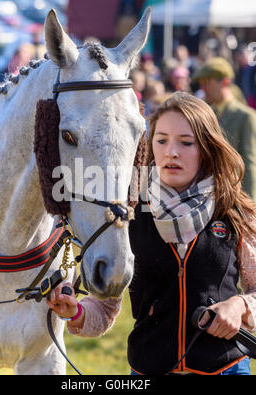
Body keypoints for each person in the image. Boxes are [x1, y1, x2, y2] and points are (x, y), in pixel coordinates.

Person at [47, 92, 256, 375]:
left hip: (226, 368)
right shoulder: (128, 211)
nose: (172, 152)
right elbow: (105, 306)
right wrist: (76, 312)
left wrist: (239, 305)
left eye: (186, 142)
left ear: (207, 147)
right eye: (162, 140)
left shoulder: (234, 210)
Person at [193, 57, 256, 205]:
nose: (203, 88)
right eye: (202, 83)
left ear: (226, 81)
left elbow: (250, 165)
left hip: (233, 199)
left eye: (207, 82)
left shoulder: (246, 117)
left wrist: (251, 207)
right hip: (204, 199)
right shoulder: (205, 114)